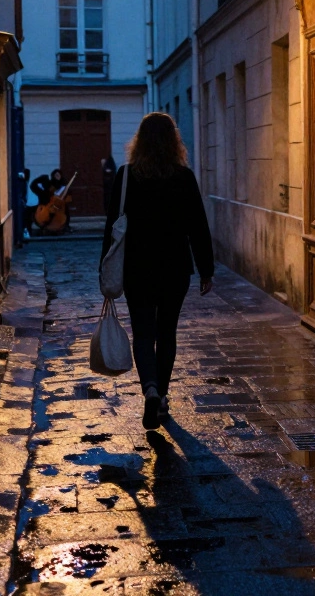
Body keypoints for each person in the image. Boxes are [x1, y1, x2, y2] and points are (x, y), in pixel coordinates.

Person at [101, 112, 213, 431]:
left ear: (140, 142)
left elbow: (111, 229)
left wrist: (103, 271)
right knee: (167, 333)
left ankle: (149, 388)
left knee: (143, 332)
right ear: (173, 142)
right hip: (174, 267)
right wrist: (206, 269)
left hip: (137, 268)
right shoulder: (183, 177)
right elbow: (198, 227)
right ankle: (161, 395)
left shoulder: (125, 176)